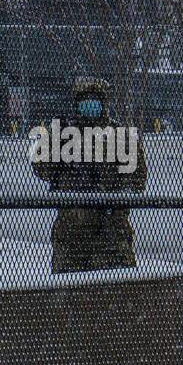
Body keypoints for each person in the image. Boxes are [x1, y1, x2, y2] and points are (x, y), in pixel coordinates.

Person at [32, 77, 147, 274]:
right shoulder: (62, 133)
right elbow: (40, 166)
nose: (91, 106)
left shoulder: (120, 134)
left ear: (104, 104)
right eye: (85, 101)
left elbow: (138, 176)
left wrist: (118, 196)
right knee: (71, 291)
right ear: (77, 104)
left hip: (111, 227)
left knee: (116, 287)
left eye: (96, 101)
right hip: (72, 229)